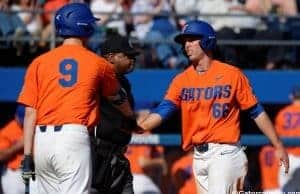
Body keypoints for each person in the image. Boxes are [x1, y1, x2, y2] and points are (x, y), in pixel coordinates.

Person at [138, 19, 290, 194]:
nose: (187, 45)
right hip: (198, 156)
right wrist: (137, 127)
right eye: (184, 42)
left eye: (192, 39)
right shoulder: (181, 80)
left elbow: (257, 112)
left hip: (225, 153)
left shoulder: (231, 74)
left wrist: (278, 145)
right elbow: (162, 111)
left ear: (207, 41)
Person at [17, 3, 137, 194]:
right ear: (85, 27)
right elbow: (117, 98)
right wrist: (130, 117)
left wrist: (28, 155)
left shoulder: (38, 62)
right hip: (73, 137)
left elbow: (30, 113)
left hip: (41, 140)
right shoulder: (98, 63)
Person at [91, 34, 140, 194]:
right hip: (97, 154)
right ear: (110, 57)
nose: (132, 59)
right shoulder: (97, 77)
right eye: (127, 55)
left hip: (118, 156)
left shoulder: (124, 82)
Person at [0, 105, 26, 194]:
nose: (24, 123)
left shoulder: (36, 126)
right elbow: (1, 156)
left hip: (36, 172)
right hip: (15, 174)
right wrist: (18, 146)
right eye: (22, 119)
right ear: (16, 116)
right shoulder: (7, 131)